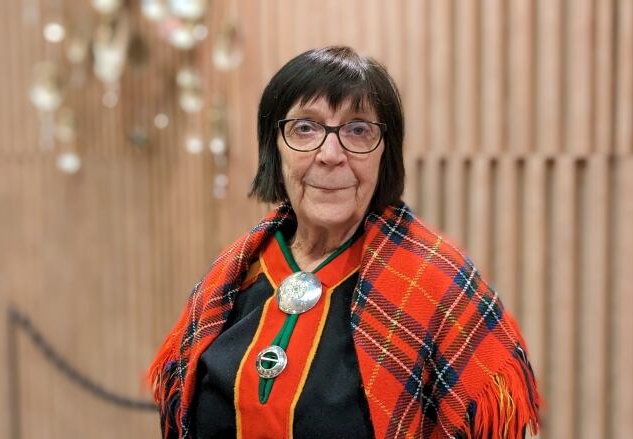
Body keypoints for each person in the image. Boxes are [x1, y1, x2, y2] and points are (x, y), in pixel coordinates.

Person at [149, 46, 541, 439]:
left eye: (358, 130)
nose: (330, 155)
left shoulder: (437, 283)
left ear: (384, 152)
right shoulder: (234, 274)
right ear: (274, 147)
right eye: (305, 128)